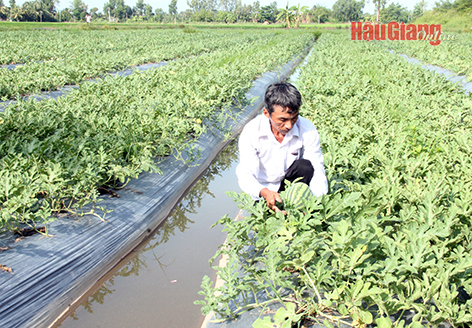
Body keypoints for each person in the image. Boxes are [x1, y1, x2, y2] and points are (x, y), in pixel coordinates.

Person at [236, 82, 328, 213]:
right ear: (266, 113)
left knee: (305, 166)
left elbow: (317, 167)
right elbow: (246, 173)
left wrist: (315, 202)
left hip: (288, 184)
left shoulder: (306, 128)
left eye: (294, 118)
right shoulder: (251, 132)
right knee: (261, 220)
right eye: (282, 120)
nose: (289, 125)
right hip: (263, 189)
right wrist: (264, 192)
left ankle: (296, 205)